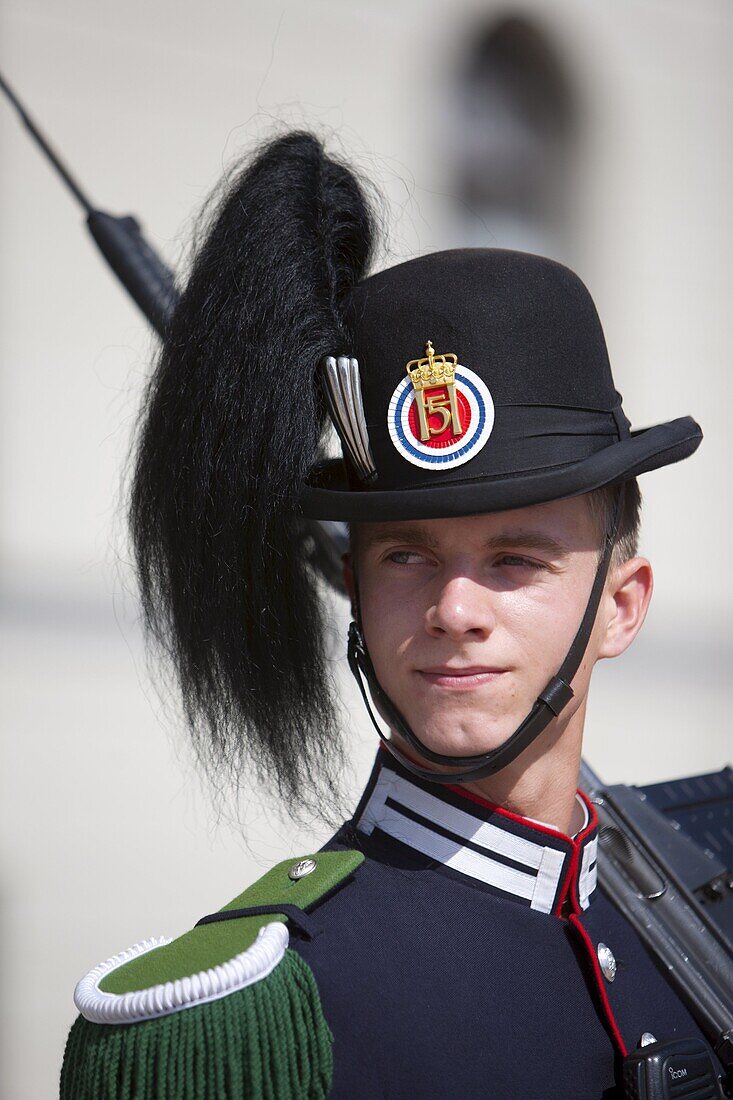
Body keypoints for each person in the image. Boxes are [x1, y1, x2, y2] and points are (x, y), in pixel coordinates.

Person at [60, 132, 712, 1099]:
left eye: (513, 560)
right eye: (406, 556)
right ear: (358, 588)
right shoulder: (244, 1030)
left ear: (621, 607)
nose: (453, 610)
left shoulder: (700, 888)